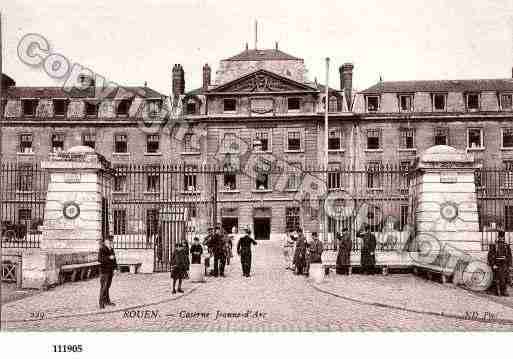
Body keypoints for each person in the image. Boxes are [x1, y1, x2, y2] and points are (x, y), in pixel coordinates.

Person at [488, 230, 512, 296]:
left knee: (506, 274)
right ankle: (498, 290)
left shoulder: (506, 246)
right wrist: (493, 264)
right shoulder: (494, 245)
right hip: (497, 264)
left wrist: (510, 265)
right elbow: (490, 256)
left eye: (502, 237)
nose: (501, 238)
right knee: (499, 274)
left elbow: (509, 256)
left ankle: (504, 290)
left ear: (504, 238)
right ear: (498, 237)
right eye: (500, 237)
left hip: (504, 264)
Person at [98, 235, 117, 309]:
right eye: (109, 241)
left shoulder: (111, 249)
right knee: (103, 287)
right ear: (105, 241)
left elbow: (114, 259)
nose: (111, 242)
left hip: (110, 271)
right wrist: (109, 257)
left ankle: (107, 301)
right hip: (104, 271)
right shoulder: (102, 249)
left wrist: (115, 268)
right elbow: (100, 259)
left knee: (108, 286)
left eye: (111, 241)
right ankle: (101, 303)